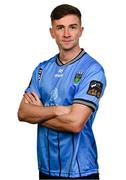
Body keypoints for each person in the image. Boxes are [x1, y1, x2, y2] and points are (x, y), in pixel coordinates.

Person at [17, 4, 106, 179]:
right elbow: (22, 113)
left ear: (81, 31)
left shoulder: (92, 70)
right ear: (52, 32)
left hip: (80, 170)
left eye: (72, 27)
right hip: (46, 168)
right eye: (60, 27)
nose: (66, 34)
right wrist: (59, 110)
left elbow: (75, 123)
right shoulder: (41, 70)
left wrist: (39, 113)